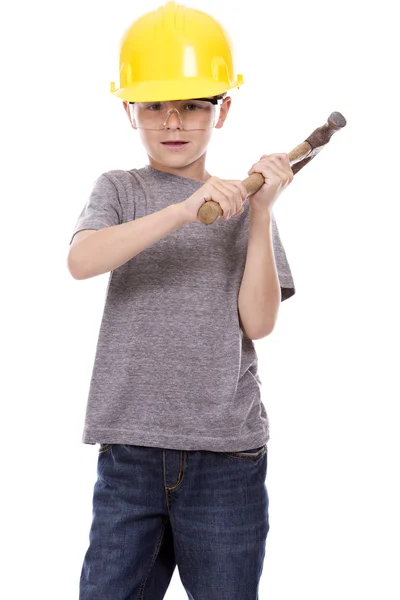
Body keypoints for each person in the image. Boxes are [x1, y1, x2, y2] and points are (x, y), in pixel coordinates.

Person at [68, 2, 296, 599]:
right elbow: (81, 262)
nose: (173, 120)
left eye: (193, 104)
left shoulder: (244, 207)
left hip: (227, 457)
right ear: (129, 110)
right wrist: (180, 212)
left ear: (222, 111)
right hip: (131, 453)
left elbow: (260, 322)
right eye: (154, 105)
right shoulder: (119, 189)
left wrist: (263, 210)